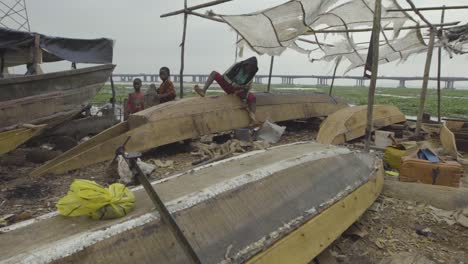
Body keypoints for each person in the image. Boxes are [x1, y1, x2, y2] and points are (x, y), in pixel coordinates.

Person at [194, 57, 259, 124]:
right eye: (249, 66)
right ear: (246, 64)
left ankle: (252, 115)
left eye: (252, 68)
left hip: (238, 91)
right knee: (214, 73)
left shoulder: (251, 74)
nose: (250, 68)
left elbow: (248, 87)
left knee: (252, 97)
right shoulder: (237, 66)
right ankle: (203, 91)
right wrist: (233, 83)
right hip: (228, 85)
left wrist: (242, 92)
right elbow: (225, 75)